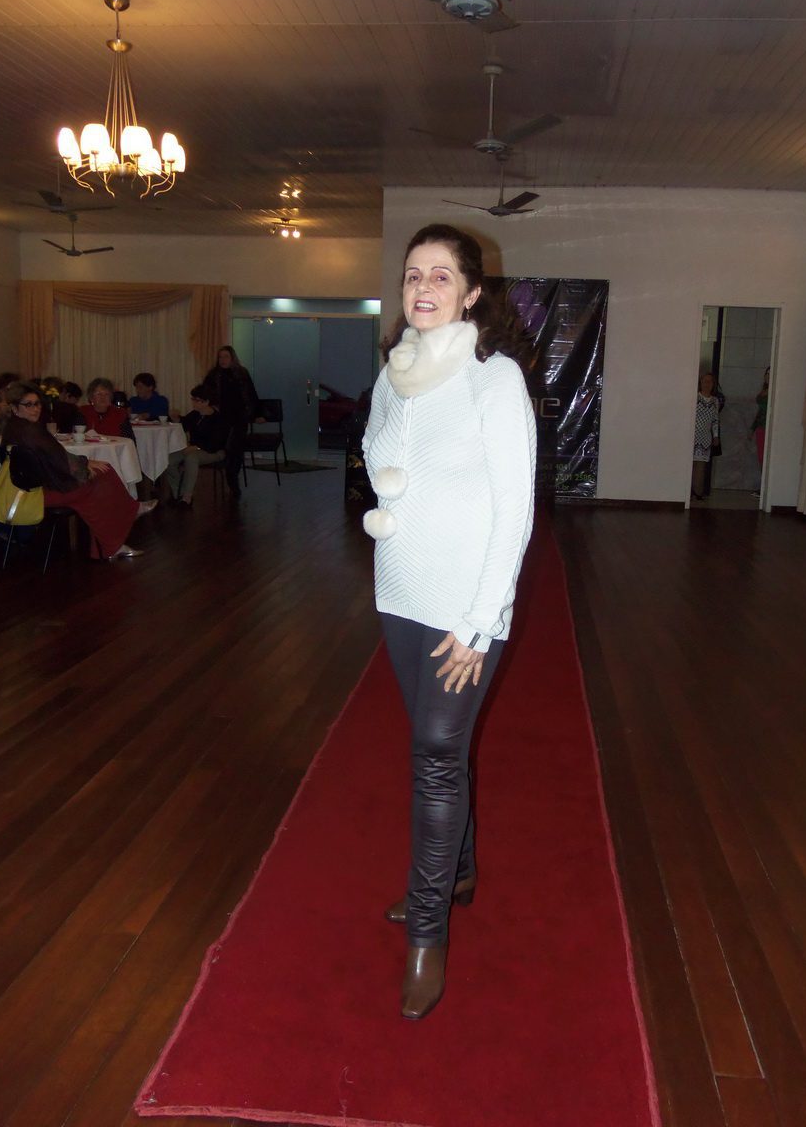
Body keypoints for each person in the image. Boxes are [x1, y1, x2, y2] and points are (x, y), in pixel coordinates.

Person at [362, 223, 536, 1020]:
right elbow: (378, 456)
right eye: (411, 275)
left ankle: (427, 933)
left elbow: (515, 510)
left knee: (434, 755)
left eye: (440, 275)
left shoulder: (492, 379)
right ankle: (458, 872)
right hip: (399, 591)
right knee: (443, 744)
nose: (422, 286)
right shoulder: (394, 374)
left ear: (470, 294)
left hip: (464, 605)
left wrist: (480, 621)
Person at [0, 383, 150, 559]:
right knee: (100, 483)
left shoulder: (16, 427)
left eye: (37, 403)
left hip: (29, 490)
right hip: (37, 494)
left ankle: (113, 542)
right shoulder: (31, 431)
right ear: (15, 408)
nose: (35, 409)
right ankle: (126, 519)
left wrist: (85, 463)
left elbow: (55, 458)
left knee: (100, 480)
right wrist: (84, 465)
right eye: (28, 405)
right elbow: (58, 460)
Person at [202, 346, 260, 497]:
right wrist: (212, 406)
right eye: (220, 357)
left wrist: (255, 414)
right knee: (224, 448)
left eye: (226, 357)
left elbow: (251, 394)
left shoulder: (241, 373)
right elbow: (205, 393)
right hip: (221, 418)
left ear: (232, 358)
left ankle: (233, 479)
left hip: (240, 417)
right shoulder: (213, 375)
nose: (222, 360)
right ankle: (229, 475)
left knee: (237, 450)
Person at [165, 384, 228, 507]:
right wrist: (176, 418)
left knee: (191, 458)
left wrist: (197, 447)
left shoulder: (218, 418)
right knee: (168, 460)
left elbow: (216, 442)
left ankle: (187, 496)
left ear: (206, 402)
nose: (193, 402)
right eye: (193, 399)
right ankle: (178, 491)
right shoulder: (195, 414)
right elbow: (185, 424)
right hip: (193, 449)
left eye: (196, 400)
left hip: (214, 451)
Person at [692, 371, 720, 501]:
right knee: (691, 465)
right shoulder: (695, 397)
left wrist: (716, 436)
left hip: (705, 437)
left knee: (701, 465)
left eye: (710, 382)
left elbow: (715, 420)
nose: (707, 384)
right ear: (700, 383)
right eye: (705, 381)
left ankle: (698, 492)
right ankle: (688, 492)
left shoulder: (715, 401)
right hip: (692, 436)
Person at [750, 366, 770, 468]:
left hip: (768, 426)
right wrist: (753, 428)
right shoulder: (764, 390)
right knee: (761, 457)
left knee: (766, 457)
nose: (768, 376)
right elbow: (760, 412)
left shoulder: (774, 392)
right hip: (761, 427)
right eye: (767, 374)